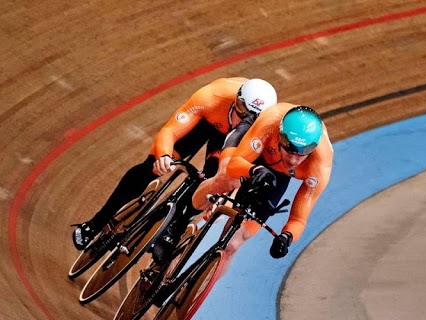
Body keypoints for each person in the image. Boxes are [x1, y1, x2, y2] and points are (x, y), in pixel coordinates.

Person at [71, 77, 278, 250]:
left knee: (210, 184)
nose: (242, 117)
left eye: (252, 117)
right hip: (205, 123)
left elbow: (236, 172)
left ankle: (168, 228)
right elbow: (170, 131)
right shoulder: (212, 97)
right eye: (241, 107)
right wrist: (164, 156)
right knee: (150, 168)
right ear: (236, 98)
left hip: (232, 143)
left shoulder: (260, 133)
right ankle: (95, 223)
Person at [182, 103, 333, 274]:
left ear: (312, 149)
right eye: (288, 149)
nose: (292, 160)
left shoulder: (319, 166)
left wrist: (286, 237)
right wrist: (253, 169)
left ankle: (194, 295)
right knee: (225, 179)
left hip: (277, 176)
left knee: (231, 246)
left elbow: (298, 219)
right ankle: (183, 217)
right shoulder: (271, 122)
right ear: (280, 136)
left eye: (301, 153)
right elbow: (233, 166)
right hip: (253, 150)